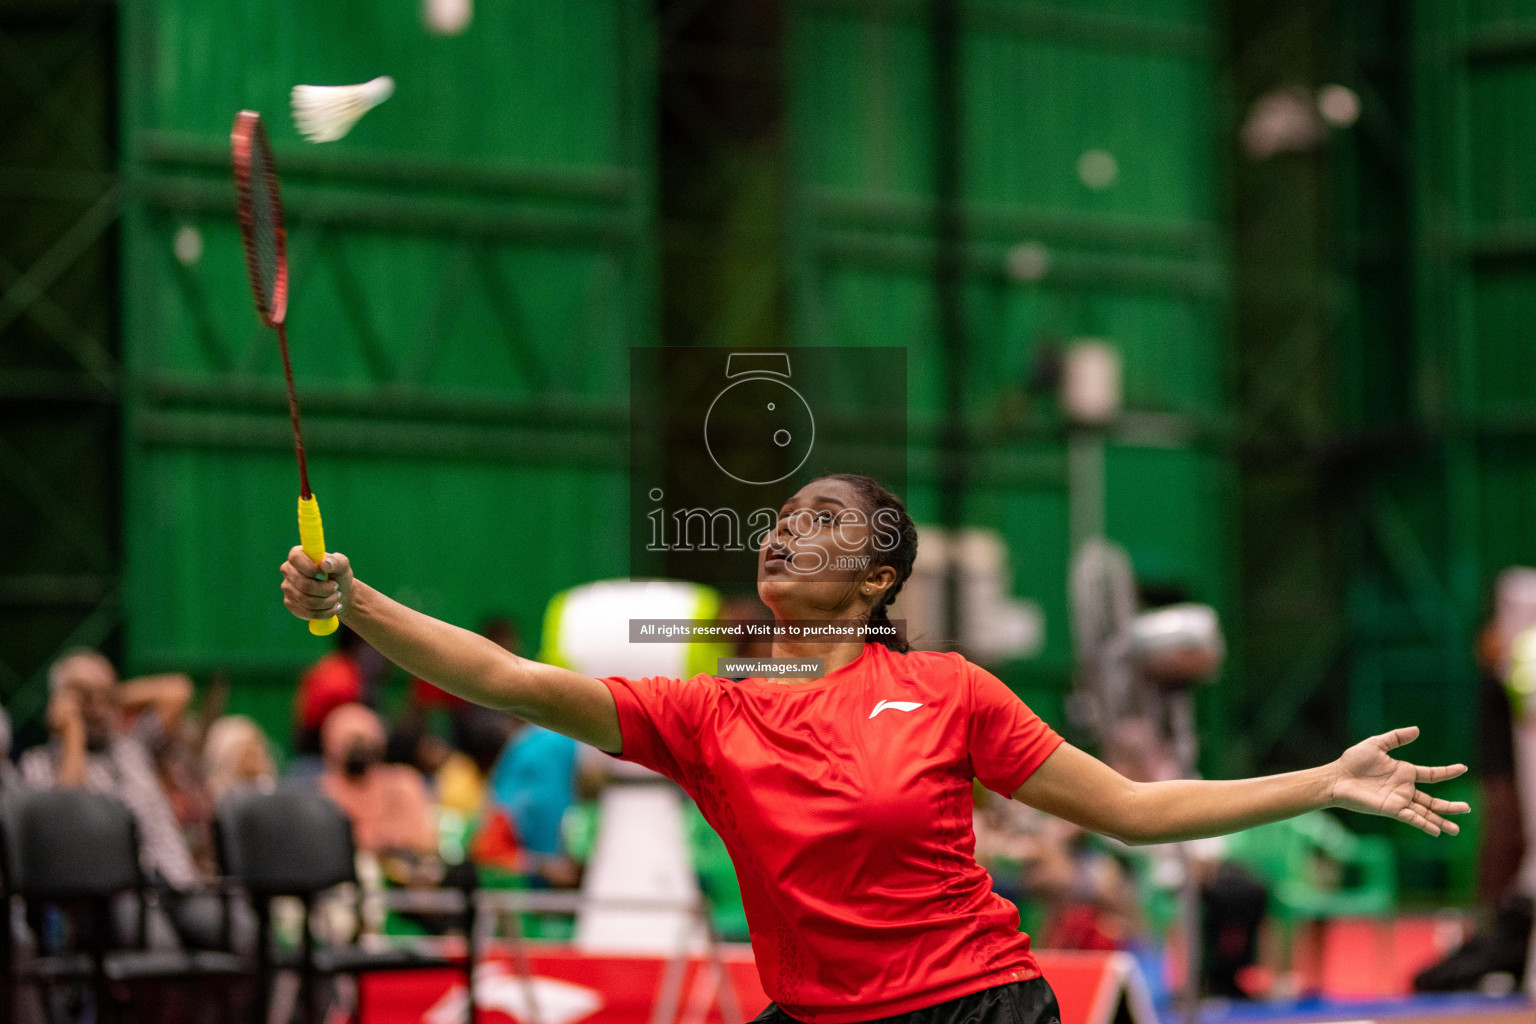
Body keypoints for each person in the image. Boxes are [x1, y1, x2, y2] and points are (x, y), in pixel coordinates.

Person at [279, 473, 1470, 1024]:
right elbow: (509, 677)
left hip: (971, 1009)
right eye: (782, 521)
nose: (787, 536)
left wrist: (1323, 778)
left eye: (823, 524)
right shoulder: (713, 711)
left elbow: (1131, 807)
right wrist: (363, 605)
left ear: (882, 576)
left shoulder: (948, 692)